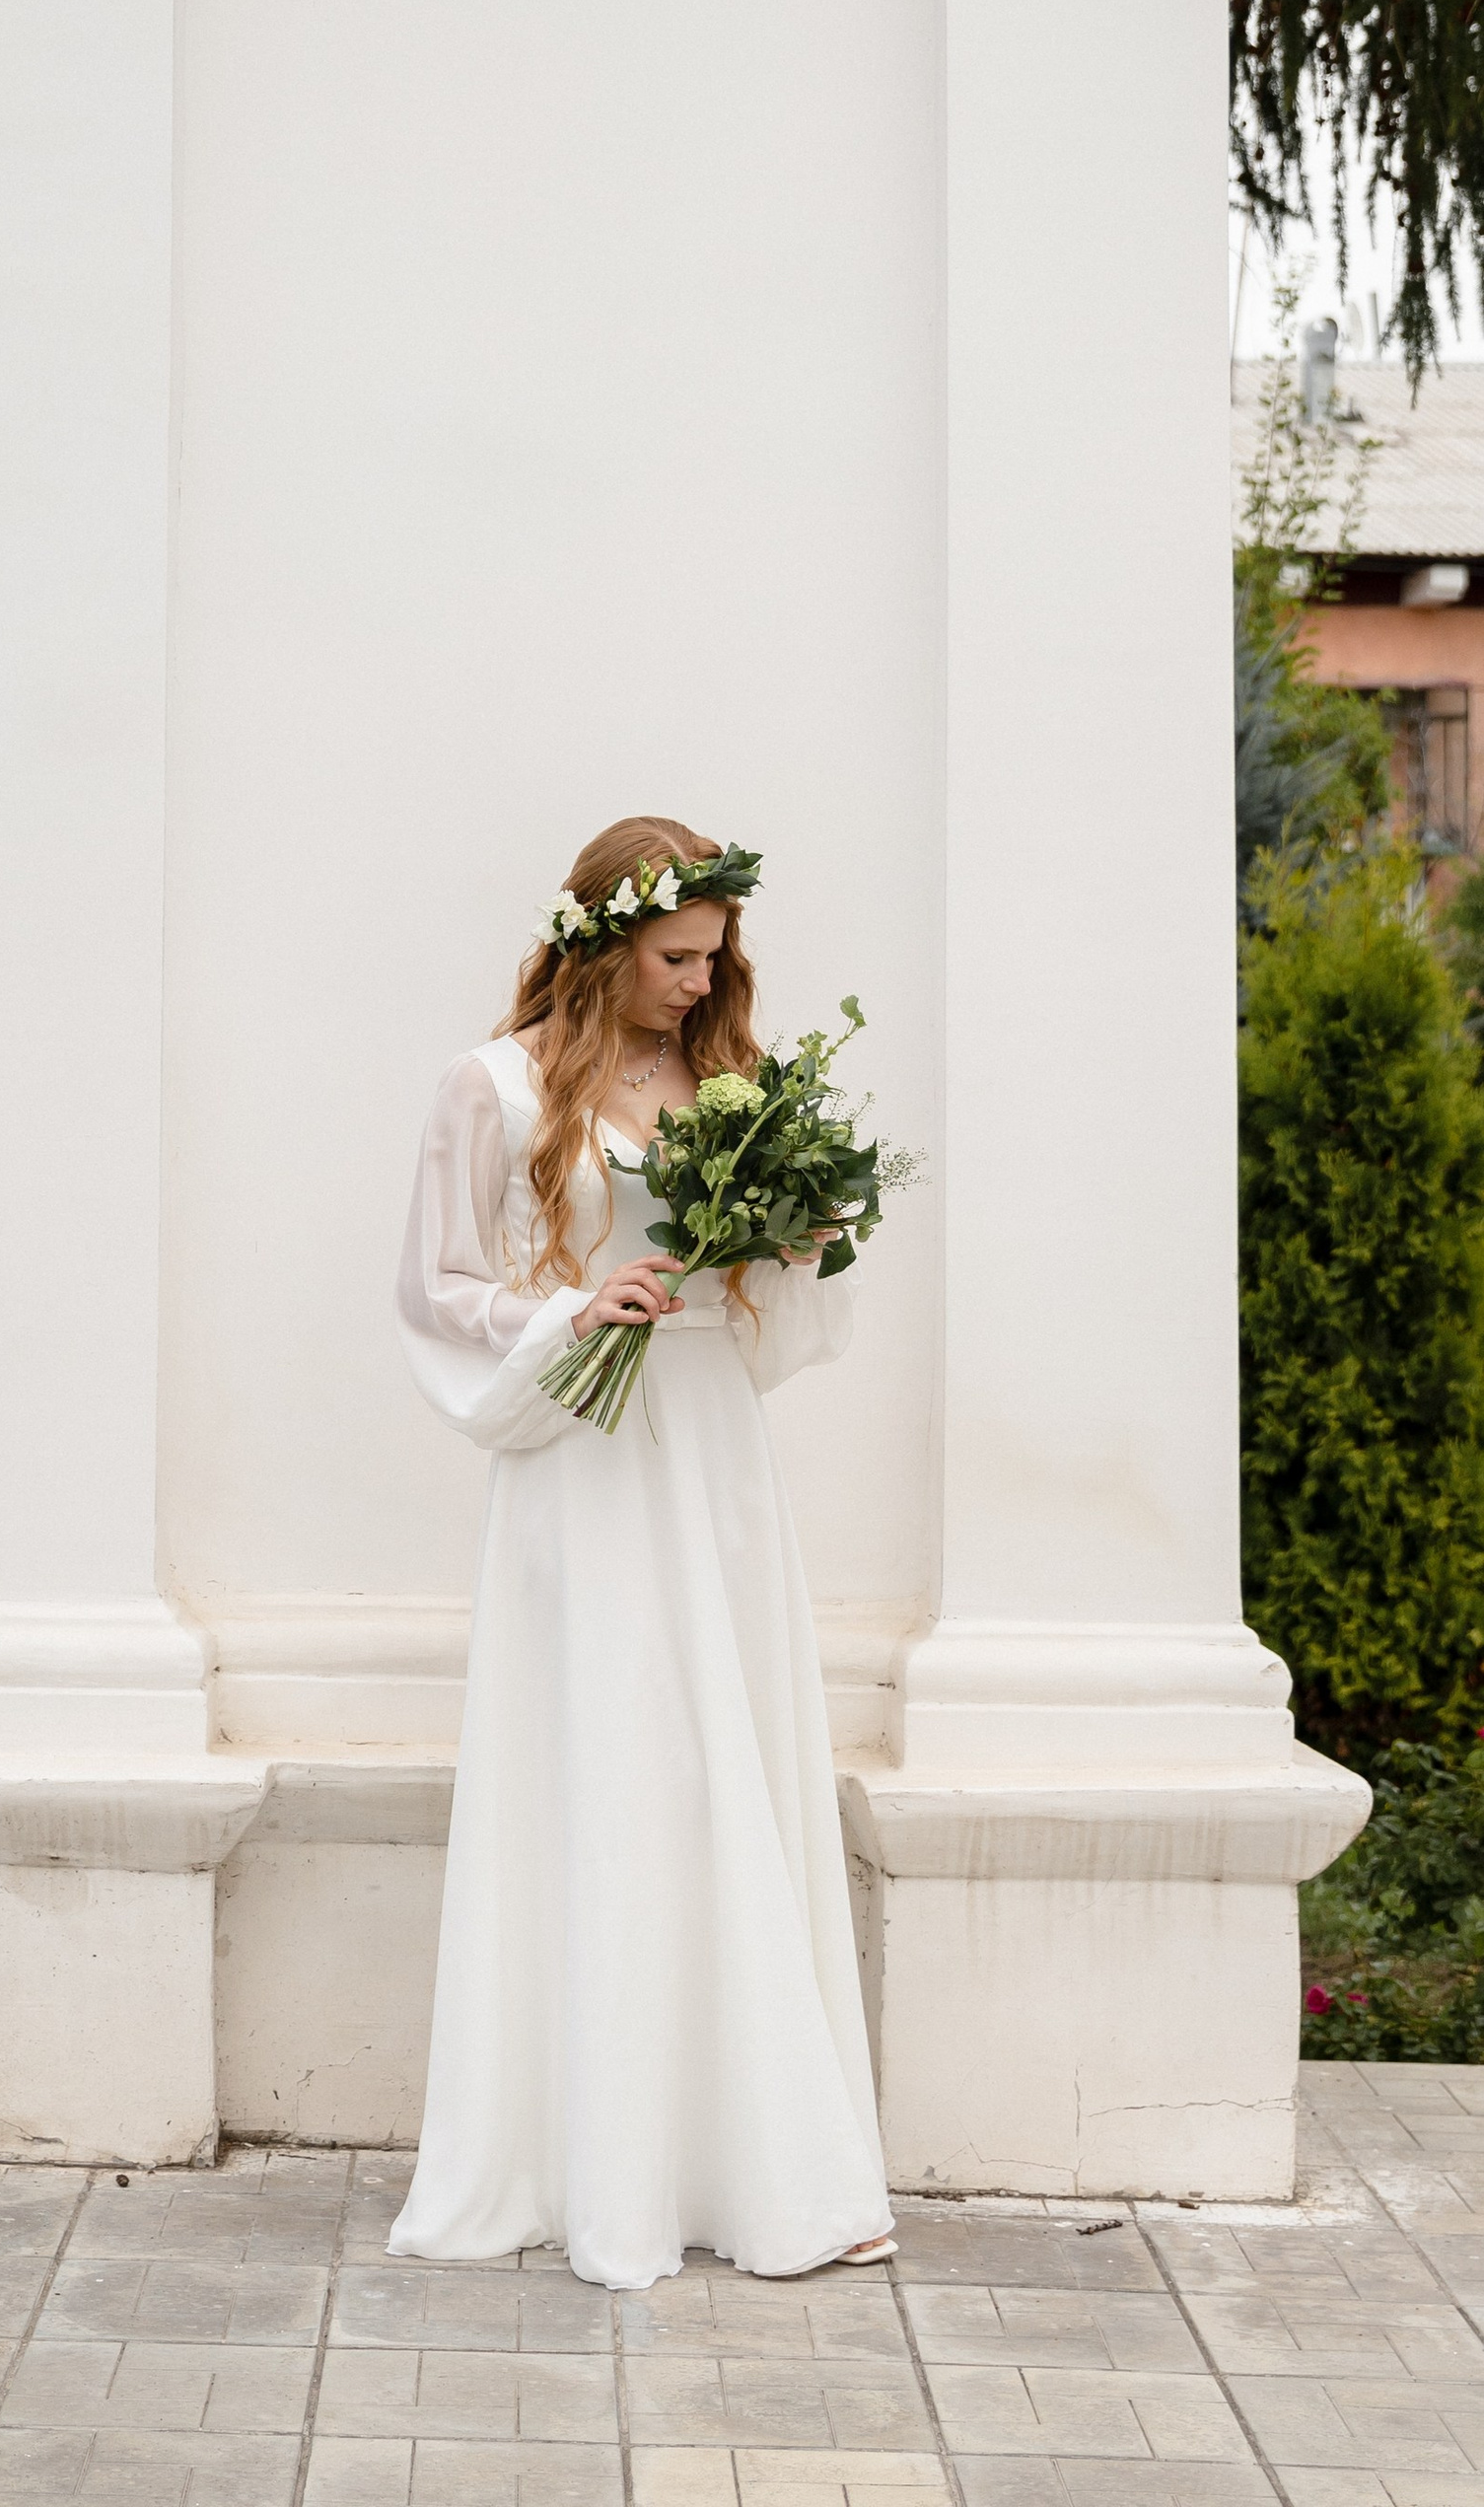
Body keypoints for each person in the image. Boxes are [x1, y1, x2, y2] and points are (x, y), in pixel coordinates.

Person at [389, 814, 892, 2289]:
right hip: (584, 1463)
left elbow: (767, 1312)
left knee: (722, 1764)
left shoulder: (727, 1081)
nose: (698, 981)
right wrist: (569, 1314)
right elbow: (433, 1288)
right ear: (608, 941)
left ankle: (757, 2160)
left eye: (714, 958)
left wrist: (800, 1237)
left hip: (714, 1455)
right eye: (676, 956)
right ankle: (590, 2163)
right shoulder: (490, 1088)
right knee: (608, 1766)